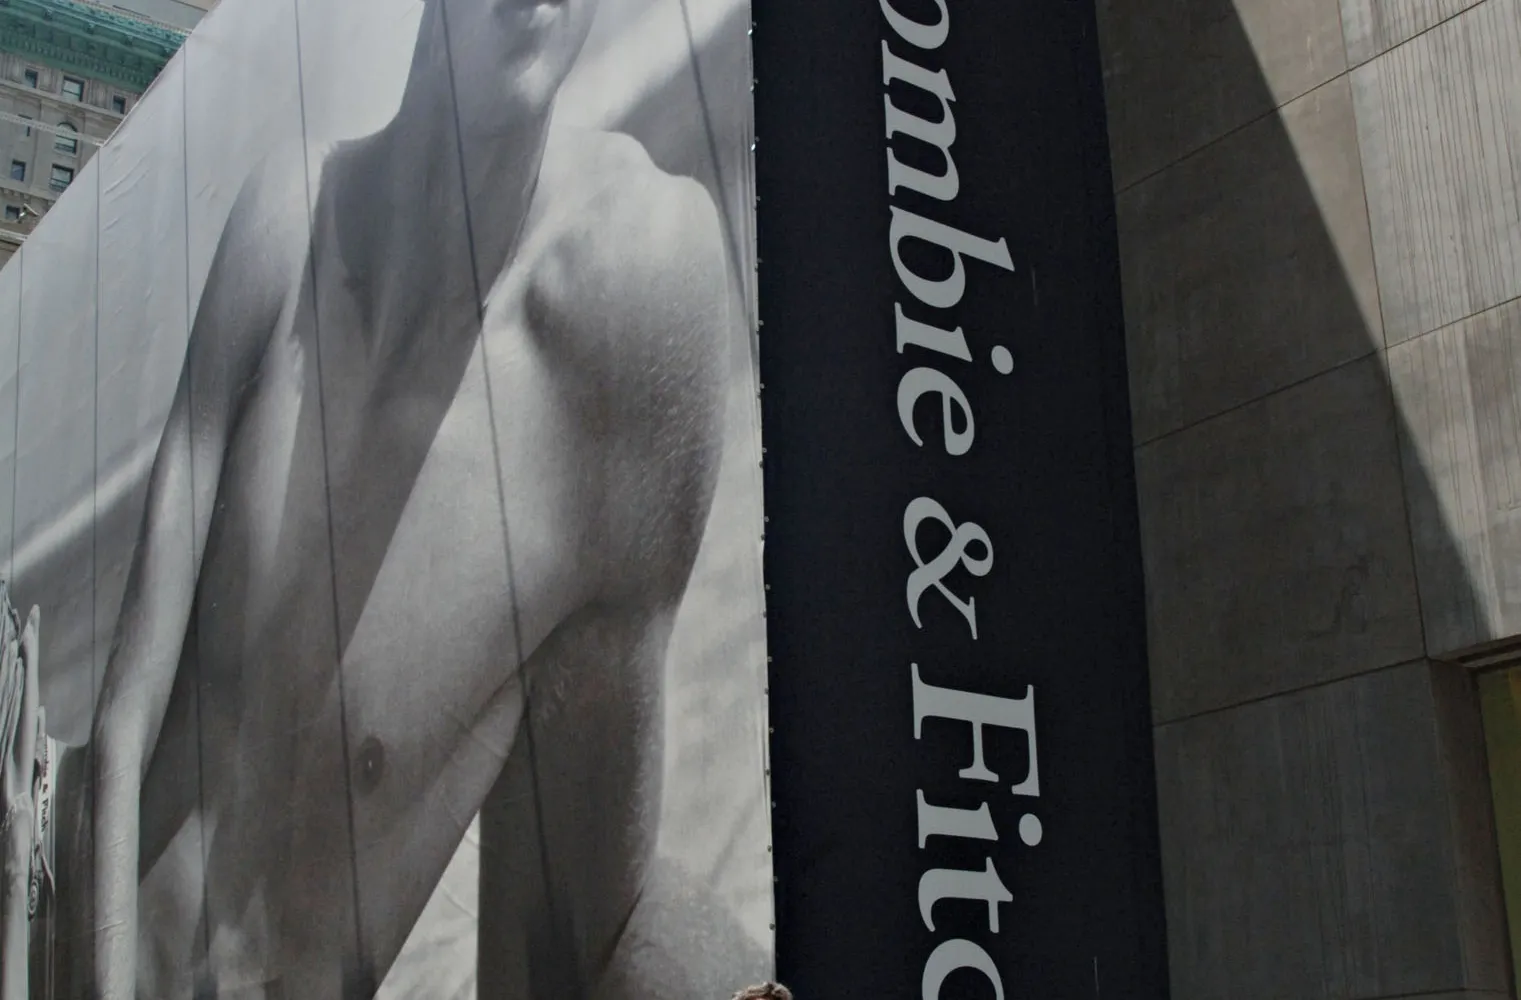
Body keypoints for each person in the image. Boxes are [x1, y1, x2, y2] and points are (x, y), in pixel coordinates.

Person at [30, 0, 733, 997]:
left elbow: (571, 924)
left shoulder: (616, 319)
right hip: (67, 950)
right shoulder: (291, 218)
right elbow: (122, 724)